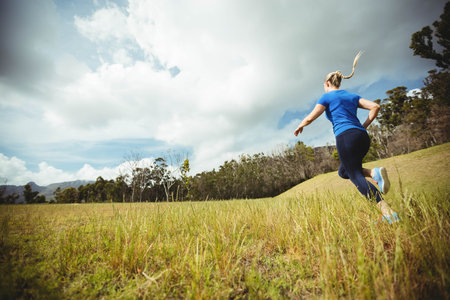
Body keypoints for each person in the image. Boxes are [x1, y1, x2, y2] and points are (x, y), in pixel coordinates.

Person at [294, 52, 399, 224]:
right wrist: (363, 126)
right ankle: (373, 173)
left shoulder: (327, 96)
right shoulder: (352, 96)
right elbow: (375, 106)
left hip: (346, 137)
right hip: (362, 137)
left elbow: (311, 116)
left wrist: (300, 125)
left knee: (355, 176)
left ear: (327, 84)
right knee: (344, 172)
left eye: (324, 86)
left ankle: (388, 213)